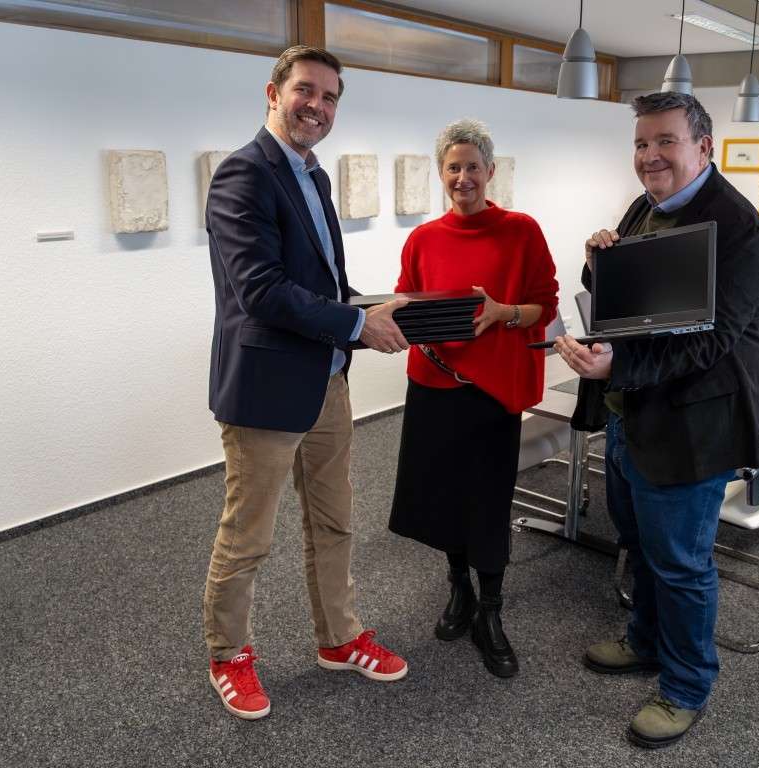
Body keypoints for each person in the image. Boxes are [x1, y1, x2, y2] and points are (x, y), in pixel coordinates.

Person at [555, 92, 759, 748]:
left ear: (703, 147)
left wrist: (616, 367)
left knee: (680, 563)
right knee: (641, 544)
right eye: (641, 143)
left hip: (691, 425)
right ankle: (646, 640)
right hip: (633, 412)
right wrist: (598, 262)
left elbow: (710, 342)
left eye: (665, 141)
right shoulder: (645, 207)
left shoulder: (738, 229)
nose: (649, 155)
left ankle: (686, 686)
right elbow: (630, 303)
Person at [203, 46, 412, 721]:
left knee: (335, 521)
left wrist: (373, 310)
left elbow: (320, 283)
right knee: (248, 536)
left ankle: (339, 637)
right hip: (266, 388)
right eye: (305, 91)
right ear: (274, 93)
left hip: (326, 381)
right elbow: (262, 291)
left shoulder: (312, 177)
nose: (317, 106)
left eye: (329, 97)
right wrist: (357, 324)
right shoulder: (244, 173)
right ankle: (229, 655)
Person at [388, 119, 559, 678]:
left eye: (473, 167)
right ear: (441, 174)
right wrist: (387, 321)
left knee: (487, 501)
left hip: (491, 392)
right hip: (434, 387)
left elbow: (545, 305)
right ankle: (458, 588)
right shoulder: (423, 239)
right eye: (453, 167)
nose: (463, 177)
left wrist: (504, 313)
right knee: (444, 497)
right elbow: (408, 300)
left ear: (491, 170)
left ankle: (491, 609)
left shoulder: (521, 231)